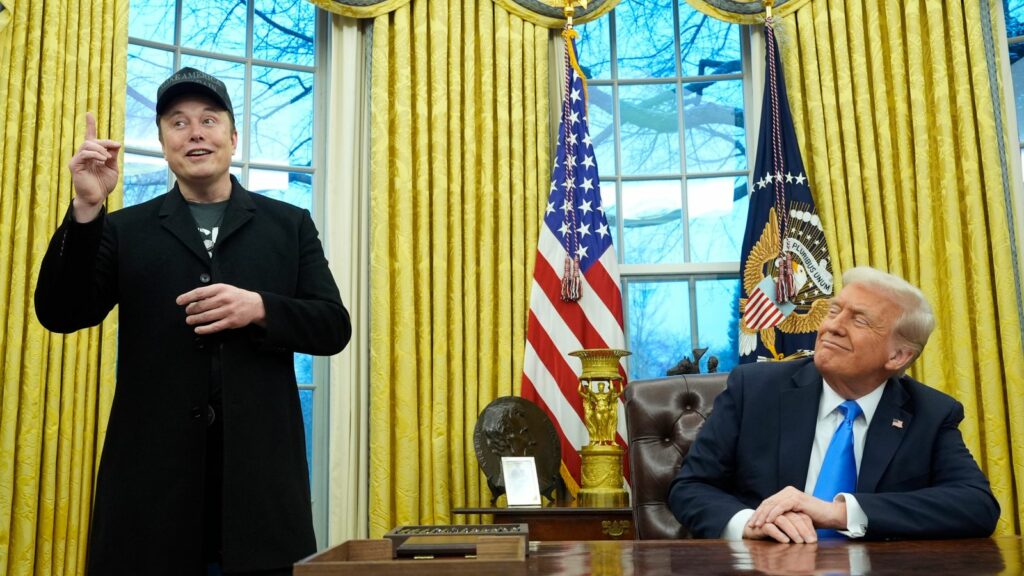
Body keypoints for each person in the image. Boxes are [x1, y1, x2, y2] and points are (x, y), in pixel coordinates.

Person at [35, 68, 351, 575]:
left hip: (261, 494)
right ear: (162, 143)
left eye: (209, 119)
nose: (195, 132)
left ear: (232, 136)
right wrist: (87, 207)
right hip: (151, 496)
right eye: (178, 123)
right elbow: (60, 313)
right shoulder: (124, 228)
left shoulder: (289, 224)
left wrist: (262, 308)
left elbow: (334, 326)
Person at [668, 266, 999, 542]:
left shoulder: (930, 413)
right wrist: (752, 523)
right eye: (834, 311)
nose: (831, 327)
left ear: (898, 356)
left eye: (859, 320)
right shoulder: (754, 390)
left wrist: (839, 512)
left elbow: (977, 505)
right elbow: (691, 487)